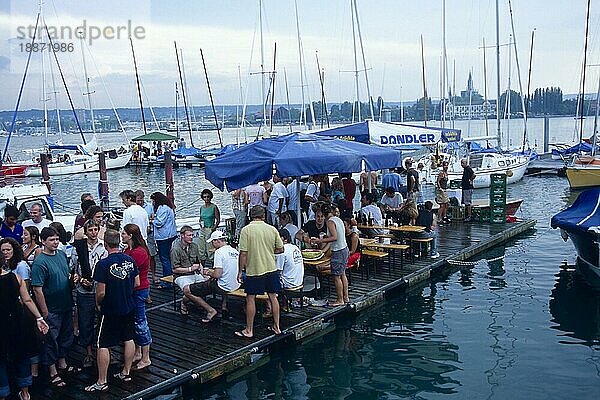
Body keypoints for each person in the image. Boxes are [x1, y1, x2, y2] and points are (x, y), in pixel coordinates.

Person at [85, 229, 139, 393]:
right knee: (129, 338)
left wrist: (98, 304)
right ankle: (126, 372)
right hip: (129, 306)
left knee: (103, 344)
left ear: (106, 244)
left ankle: (102, 381)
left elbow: (101, 292)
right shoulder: (130, 260)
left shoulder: (103, 264)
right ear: (119, 243)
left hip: (110, 309)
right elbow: (136, 283)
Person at [31, 227, 77, 389]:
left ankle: (62, 362)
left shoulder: (62, 254)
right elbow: (37, 289)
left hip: (66, 303)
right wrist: (44, 311)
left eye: (57, 239)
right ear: (43, 241)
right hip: (51, 308)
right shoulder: (39, 262)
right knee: (50, 340)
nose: (55, 242)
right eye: (51, 240)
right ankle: (52, 370)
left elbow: (66, 275)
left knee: (66, 336)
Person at [0, 258, 49, 400]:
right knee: (21, 355)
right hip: (16, 321)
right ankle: (25, 392)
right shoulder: (16, 277)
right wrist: (39, 318)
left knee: (1, 359)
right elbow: (27, 299)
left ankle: (3, 394)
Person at [235, 206, 284, 338]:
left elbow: (243, 254)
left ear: (250, 216)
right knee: (273, 297)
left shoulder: (246, 230)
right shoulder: (272, 229)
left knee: (250, 298)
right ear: (263, 216)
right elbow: (280, 249)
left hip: (254, 269)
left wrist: (240, 271)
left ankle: (249, 330)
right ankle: (277, 327)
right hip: (271, 268)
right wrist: (268, 251)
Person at [70, 220, 107, 369]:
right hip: (83, 290)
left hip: (99, 288)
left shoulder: (103, 247)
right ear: (85, 232)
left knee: (103, 319)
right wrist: (78, 279)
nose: (93, 232)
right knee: (85, 321)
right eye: (90, 229)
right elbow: (73, 267)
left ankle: (104, 349)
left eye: (95, 229)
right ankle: (89, 353)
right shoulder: (78, 248)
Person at [188, 230, 240, 321]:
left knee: (187, 290)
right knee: (223, 277)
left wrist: (207, 272)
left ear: (217, 241)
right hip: (236, 284)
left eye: (212, 242)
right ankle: (224, 306)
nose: (212, 244)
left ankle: (210, 310)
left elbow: (217, 274)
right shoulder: (235, 251)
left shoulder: (219, 252)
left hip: (223, 286)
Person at [121, 224, 152, 371]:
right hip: (131, 290)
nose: (122, 235)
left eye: (124, 233)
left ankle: (146, 357)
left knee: (140, 321)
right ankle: (138, 352)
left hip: (139, 289)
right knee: (134, 321)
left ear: (131, 235)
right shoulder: (128, 250)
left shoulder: (139, 252)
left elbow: (131, 272)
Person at [311, 203, 349, 306]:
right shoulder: (338, 219)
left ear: (324, 214)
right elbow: (337, 234)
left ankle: (340, 300)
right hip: (344, 248)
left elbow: (335, 237)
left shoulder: (330, 222)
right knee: (343, 274)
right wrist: (323, 238)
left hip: (338, 251)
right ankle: (346, 297)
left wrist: (319, 241)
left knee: (336, 276)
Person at [170, 226, 203, 315]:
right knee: (189, 290)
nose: (191, 237)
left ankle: (198, 301)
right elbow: (174, 269)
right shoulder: (175, 249)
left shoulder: (194, 246)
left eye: (192, 235)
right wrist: (189, 269)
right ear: (182, 236)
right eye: (189, 235)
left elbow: (199, 262)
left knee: (206, 285)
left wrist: (202, 272)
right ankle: (184, 303)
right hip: (181, 276)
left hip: (194, 273)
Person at [150, 192, 177, 287]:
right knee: (168, 258)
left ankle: (167, 281)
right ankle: (170, 278)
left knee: (164, 258)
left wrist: (152, 220)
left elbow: (159, 223)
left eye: (153, 200)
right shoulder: (168, 207)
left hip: (164, 237)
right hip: (170, 235)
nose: (152, 202)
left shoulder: (163, 208)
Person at [136, 190, 158, 285]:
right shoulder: (134, 208)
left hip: (149, 235)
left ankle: (153, 275)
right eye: (138, 201)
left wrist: (149, 221)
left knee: (152, 256)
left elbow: (153, 217)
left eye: (141, 200)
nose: (140, 202)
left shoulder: (149, 207)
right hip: (138, 236)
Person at [198, 189, 220, 263]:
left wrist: (214, 228)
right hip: (202, 229)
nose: (206, 198)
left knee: (210, 248)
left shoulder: (214, 207)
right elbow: (201, 218)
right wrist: (200, 223)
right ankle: (202, 265)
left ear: (210, 197)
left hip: (210, 229)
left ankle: (213, 264)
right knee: (201, 248)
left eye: (208, 197)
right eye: (204, 197)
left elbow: (218, 220)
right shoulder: (202, 207)